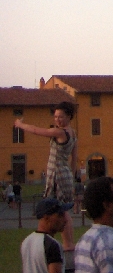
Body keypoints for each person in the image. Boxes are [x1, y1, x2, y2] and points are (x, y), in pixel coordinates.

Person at [15, 101, 77, 250]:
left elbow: (37, 130)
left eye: (61, 117)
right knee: (62, 210)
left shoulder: (60, 132)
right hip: (65, 174)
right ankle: (68, 244)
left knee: (51, 209)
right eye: (55, 117)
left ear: (69, 116)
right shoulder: (73, 133)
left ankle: (55, 242)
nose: (57, 120)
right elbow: (74, 158)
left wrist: (19, 124)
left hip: (57, 174)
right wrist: (72, 177)